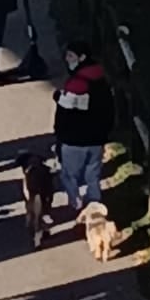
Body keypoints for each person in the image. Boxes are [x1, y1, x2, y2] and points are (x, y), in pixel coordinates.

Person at [53, 41, 114, 216]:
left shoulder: (77, 84)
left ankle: (77, 205)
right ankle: (95, 206)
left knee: (68, 175)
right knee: (92, 175)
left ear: (82, 58)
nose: (67, 59)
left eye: (71, 56)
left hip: (75, 140)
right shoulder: (101, 79)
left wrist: (58, 96)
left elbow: (68, 108)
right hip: (97, 139)